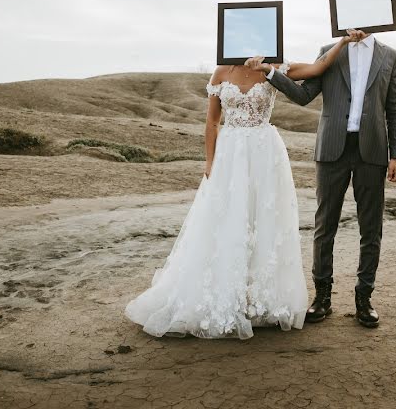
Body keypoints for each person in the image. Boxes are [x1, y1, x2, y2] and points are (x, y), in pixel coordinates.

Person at [124, 29, 365, 339]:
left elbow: (318, 68)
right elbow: (212, 122)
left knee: (264, 222)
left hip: (265, 153)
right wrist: (210, 161)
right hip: (230, 155)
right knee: (226, 221)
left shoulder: (275, 65)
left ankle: (261, 298)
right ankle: (227, 295)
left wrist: (343, 42)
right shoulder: (222, 70)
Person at [246, 30, 396, 328]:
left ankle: (364, 299)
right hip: (332, 148)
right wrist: (270, 72)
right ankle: (323, 298)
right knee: (324, 226)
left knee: (372, 229)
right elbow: (304, 95)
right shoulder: (330, 50)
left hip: (372, 151)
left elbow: (394, 107)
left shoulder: (390, 56)